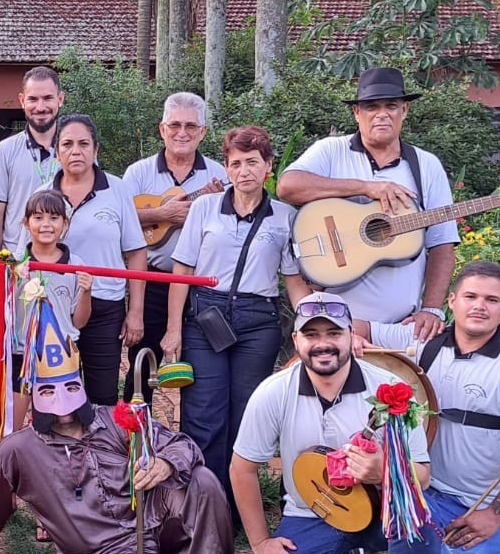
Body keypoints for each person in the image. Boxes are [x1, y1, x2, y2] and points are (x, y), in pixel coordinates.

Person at [0, 303, 252, 554]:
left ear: (82, 385)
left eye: (70, 387)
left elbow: (182, 445)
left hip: (154, 526)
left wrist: (165, 463)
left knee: (201, 479)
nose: (62, 406)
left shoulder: (115, 419)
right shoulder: (18, 450)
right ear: (34, 392)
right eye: (49, 390)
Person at [229, 292, 438, 554]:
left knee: (419, 525)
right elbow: (242, 467)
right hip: (316, 510)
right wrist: (260, 543)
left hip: (379, 510)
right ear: (296, 341)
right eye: (311, 335)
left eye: (334, 333)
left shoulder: (389, 391)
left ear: (350, 337)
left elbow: (422, 474)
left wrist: (382, 472)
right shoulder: (274, 391)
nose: (323, 343)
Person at [356, 260, 500, 554]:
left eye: (491, 300)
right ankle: (423, 551)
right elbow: (348, 326)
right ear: (452, 301)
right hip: (424, 489)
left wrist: (495, 515)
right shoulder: (423, 342)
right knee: (360, 507)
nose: (479, 306)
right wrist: (350, 339)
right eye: (471, 296)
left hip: (481, 501)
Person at [162, 126, 307, 508]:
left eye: (253, 162)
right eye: (236, 163)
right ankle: (201, 502)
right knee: (203, 412)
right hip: (205, 316)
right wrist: (173, 329)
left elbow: (292, 280)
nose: (244, 171)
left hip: (258, 321)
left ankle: (235, 504)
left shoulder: (284, 217)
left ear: (268, 167)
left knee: (246, 415)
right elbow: (182, 272)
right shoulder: (205, 209)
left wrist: (313, 325)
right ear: (226, 168)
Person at [277, 66, 458, 340]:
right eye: (371, 107)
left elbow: (442, 243)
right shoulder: (331, 150)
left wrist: (432, 309)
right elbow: (288, 186)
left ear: (405, 111)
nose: (382, 114)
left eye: (391, 106)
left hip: (402, 328)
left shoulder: (426, 166)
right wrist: (366, 188)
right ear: (356, 113)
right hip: (333, 325)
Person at [122, 92, 226, 401]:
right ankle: (135, 436)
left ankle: (195, 441)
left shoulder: (220, 175)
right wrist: (161, 214)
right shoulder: (139, 173)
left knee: (203, 366)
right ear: (162, 129)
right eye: (175, 125)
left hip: (202, 288)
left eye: (191, 126)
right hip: (153, 282)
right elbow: (120, 220)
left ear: (203, 132)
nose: (183, 133)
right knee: (141, 367)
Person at [42, 114, 146, 405]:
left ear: (96, 149)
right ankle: (61, 451)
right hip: (57, 307)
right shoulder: (42, 195)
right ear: (56, 151)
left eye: (83, 144)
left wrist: (135, 310)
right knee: (58, 394)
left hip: (105, 306)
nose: (76, 151)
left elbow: (136, 251)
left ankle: (103, 451)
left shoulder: (117, 190)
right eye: (68, 144)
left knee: (103, 396)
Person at [12, 190, 92, 429]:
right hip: (21, 353)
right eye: (38, 218)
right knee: (14, 421)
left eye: (54, 218)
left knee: (61, 421)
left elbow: (79, 322)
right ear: (26, 223)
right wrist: (13, 279)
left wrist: (87, 292)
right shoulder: (14, 263)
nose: (46, 225)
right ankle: (9, 460)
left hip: (62, 357)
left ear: (65, 224)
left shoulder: (76, 266)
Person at [0, 65, 64, 255]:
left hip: (64, 262)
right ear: (22, 101)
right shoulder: (5, 150)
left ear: (60, 99)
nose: (40, 107)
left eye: (48, 98)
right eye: (33, 99)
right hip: (17, 261)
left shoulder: (77, 151)